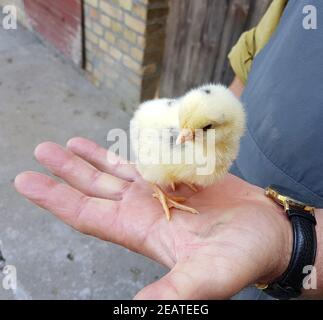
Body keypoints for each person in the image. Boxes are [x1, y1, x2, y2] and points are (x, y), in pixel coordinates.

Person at [15, 0, 323, 299]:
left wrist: (290, 245)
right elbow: (251, 55)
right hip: (244, 192)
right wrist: (165, 181)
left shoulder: (216, 137)